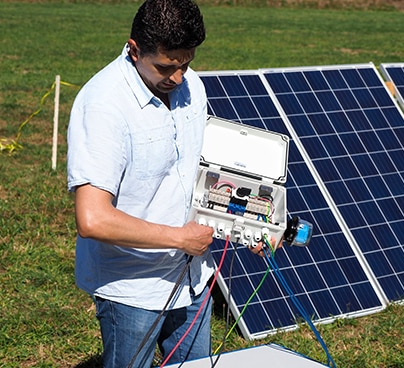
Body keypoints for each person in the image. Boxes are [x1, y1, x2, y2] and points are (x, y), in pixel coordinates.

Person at [67, 0, 269, 367]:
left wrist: (246, 222)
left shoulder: (192, 87)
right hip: (134, 287)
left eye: (185, 64)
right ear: (134, 49)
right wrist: (179, 238)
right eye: (165, 67)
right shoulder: (104, 105)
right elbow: (92, 219)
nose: (177, 77)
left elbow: (201, 171)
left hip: (194, 275)